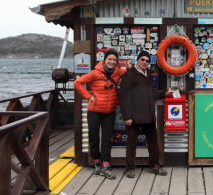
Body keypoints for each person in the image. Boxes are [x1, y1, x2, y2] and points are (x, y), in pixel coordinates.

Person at [73, 48, 127, 179]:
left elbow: (129, 72)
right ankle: (96, 161)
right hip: (94, 111)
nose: (112, 62)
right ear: (105, 60)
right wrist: (88, 96)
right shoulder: (94, 73)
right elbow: (77, 82)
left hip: (109, 111)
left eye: (114, 60)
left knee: (107, 139)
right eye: (109, 59)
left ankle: (106, 165)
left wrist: (131, 67)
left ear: (117, 61)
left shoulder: (118, 72)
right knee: (93, 137)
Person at [119, 50, 172, 178]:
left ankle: (154, 165)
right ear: (137, 60)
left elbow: (151, 93)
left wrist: (163, 93)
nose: (145, 62)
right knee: (131, 143)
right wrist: (126, 116)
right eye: (142, 59)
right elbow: (123, 96)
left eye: (147, 61)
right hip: (134, 115)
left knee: (153, 142)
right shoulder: (129, 75)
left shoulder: (147, 74)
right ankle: (130, 168)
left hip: (148, 114)